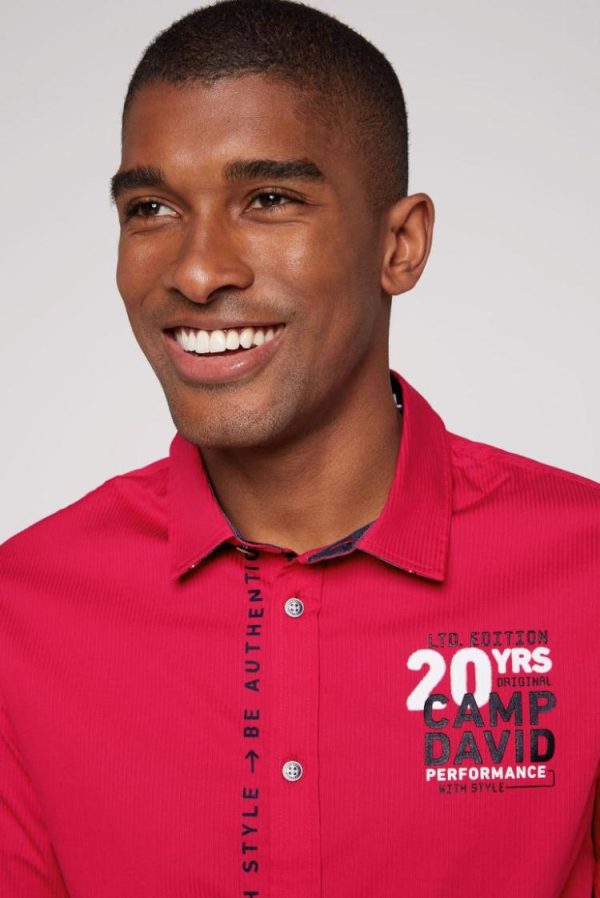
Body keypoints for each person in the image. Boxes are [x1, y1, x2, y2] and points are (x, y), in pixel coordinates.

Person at [1, 0, 598, 895]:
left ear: (401, 245)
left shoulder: (587, 574)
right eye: (152, 208)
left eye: (270, 200)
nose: (198, 272)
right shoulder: (20, 614)